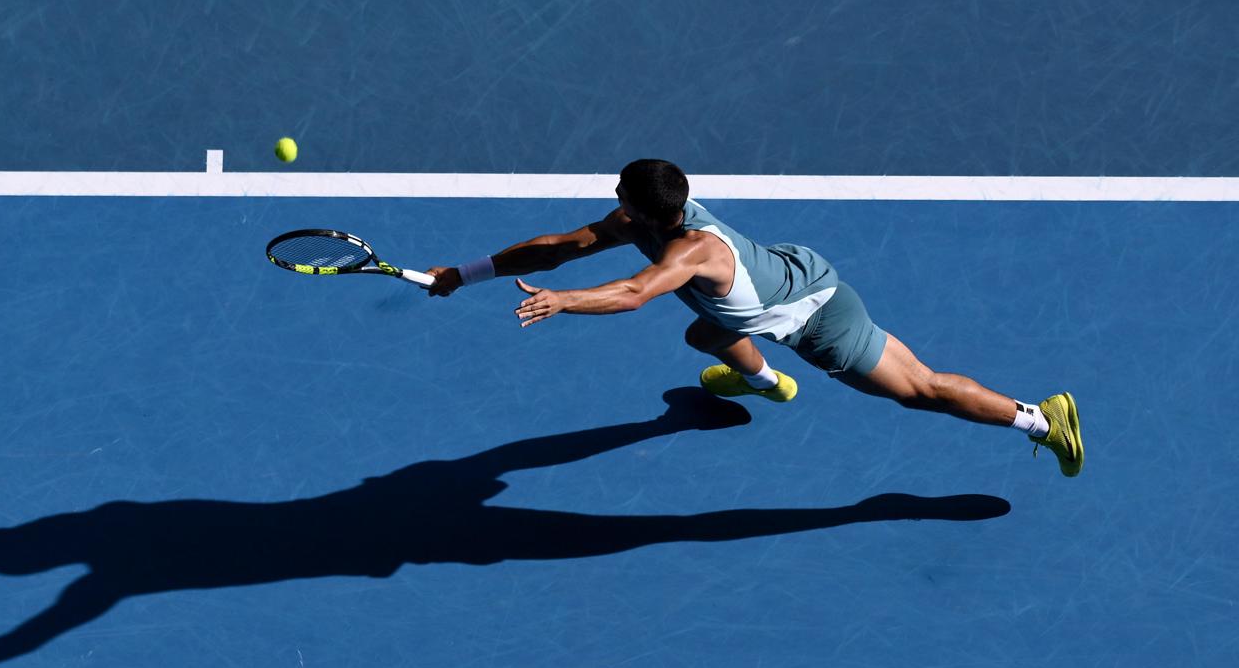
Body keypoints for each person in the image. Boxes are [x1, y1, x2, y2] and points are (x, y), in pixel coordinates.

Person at [424, 159, 1083, 476]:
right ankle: (766, 382)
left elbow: (632, 292)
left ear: (651, 212)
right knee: (704, 331)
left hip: (820, 320)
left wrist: (564, 302)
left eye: (621, 198)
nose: (612, 204)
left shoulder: (691, 251)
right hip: (779, 279)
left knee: (922, 390)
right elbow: (561, 247)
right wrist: (466, 271)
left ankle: (1041, 417)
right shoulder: (644, 219)